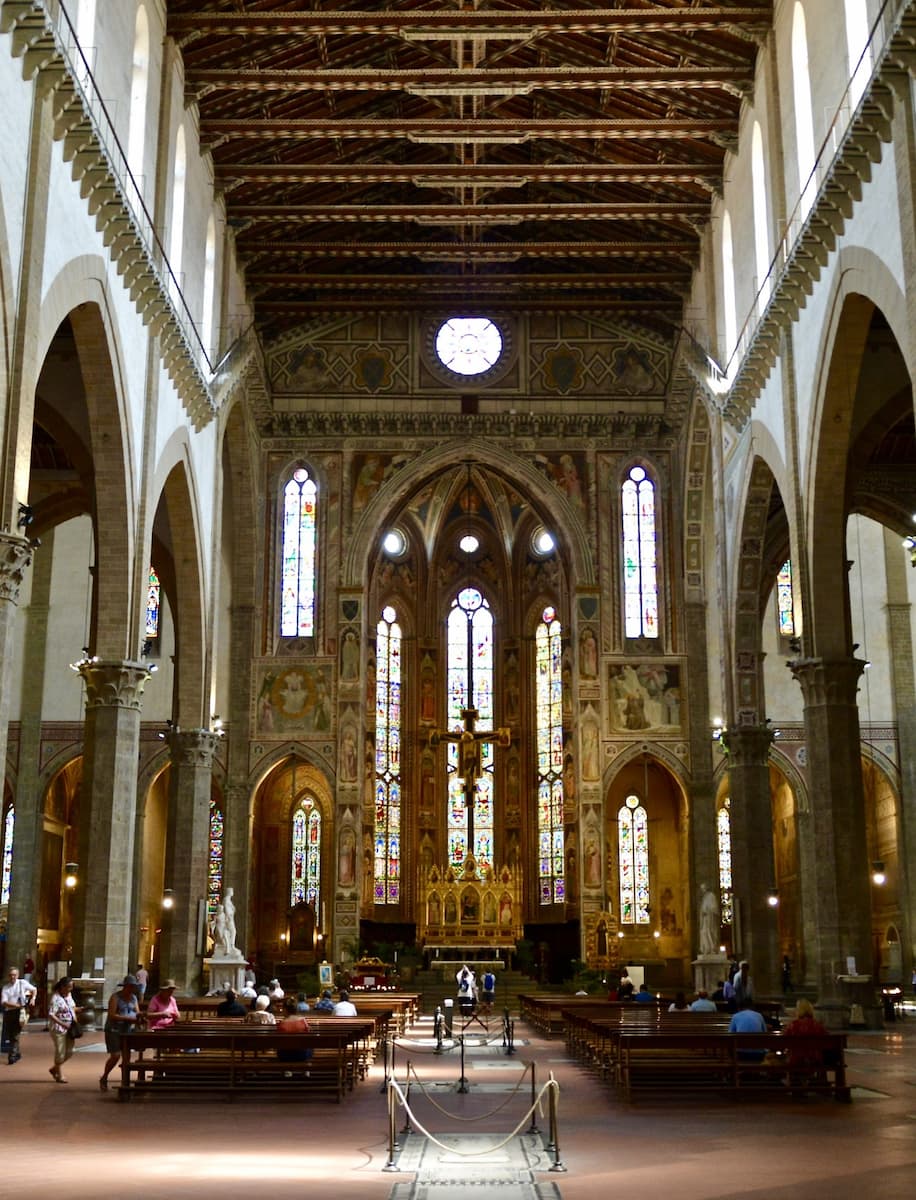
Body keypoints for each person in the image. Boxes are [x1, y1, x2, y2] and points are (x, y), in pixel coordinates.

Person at [99, 974, 141, 1090]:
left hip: (127, 1030)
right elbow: (112, 1015)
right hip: (114, 1030)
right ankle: (104, 1077)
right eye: (131, 987)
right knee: (116, 1055)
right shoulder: (115, 997)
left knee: (127, 1057)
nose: (132, 989)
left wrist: (140, 1018)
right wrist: (128, 1019)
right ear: (125, 986)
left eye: (134, 987)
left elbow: (137, 1012)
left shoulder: (133, 998)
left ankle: (124, 1081)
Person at [47, 976, 81, 1083]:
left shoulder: (69, 995)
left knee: (70, 1052)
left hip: (70, 1028)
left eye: (71, 987)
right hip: (58, 1029)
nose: (70, 989)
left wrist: (78, 1011)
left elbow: (71, 1008)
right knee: (60, 1052)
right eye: (69, 987)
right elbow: (51, 1014)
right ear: (62, 987)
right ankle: (59, 1075)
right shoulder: (55, 998)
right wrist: (63, 1024)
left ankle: (54, 1068)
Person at [782, 998, 828, 1075]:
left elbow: (784, 1041)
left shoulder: (793, 1025)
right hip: (815, 1058)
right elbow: (827, 1040)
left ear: (798, 1010)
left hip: (796, 1059)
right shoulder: (817, 1025)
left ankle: (794, 1081)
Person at [2, 966, 37, 1064]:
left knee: (16, 1034)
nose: (12, 977)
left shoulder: (22, 983)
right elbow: (4, 1002)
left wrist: (33, 998)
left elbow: (34, 989)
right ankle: (17, 1053)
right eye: (11, 975)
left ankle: (12, 1056)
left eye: (14, 975)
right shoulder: (6, 987)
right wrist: (16, 1005)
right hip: (9, 1012)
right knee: (10, 1034)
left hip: (20, 1012)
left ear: (17, 975)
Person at [698, 884, 720, 956]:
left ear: (706, 888)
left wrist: (707, 911)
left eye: (703, 888)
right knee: (703, 932)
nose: (702, 890)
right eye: (701, 889)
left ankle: (712, 948)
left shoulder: (711, 896)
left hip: (710, 918)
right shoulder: (704, 898)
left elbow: (714, 908)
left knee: (709, 932)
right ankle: (706, 948)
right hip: (704, 919)